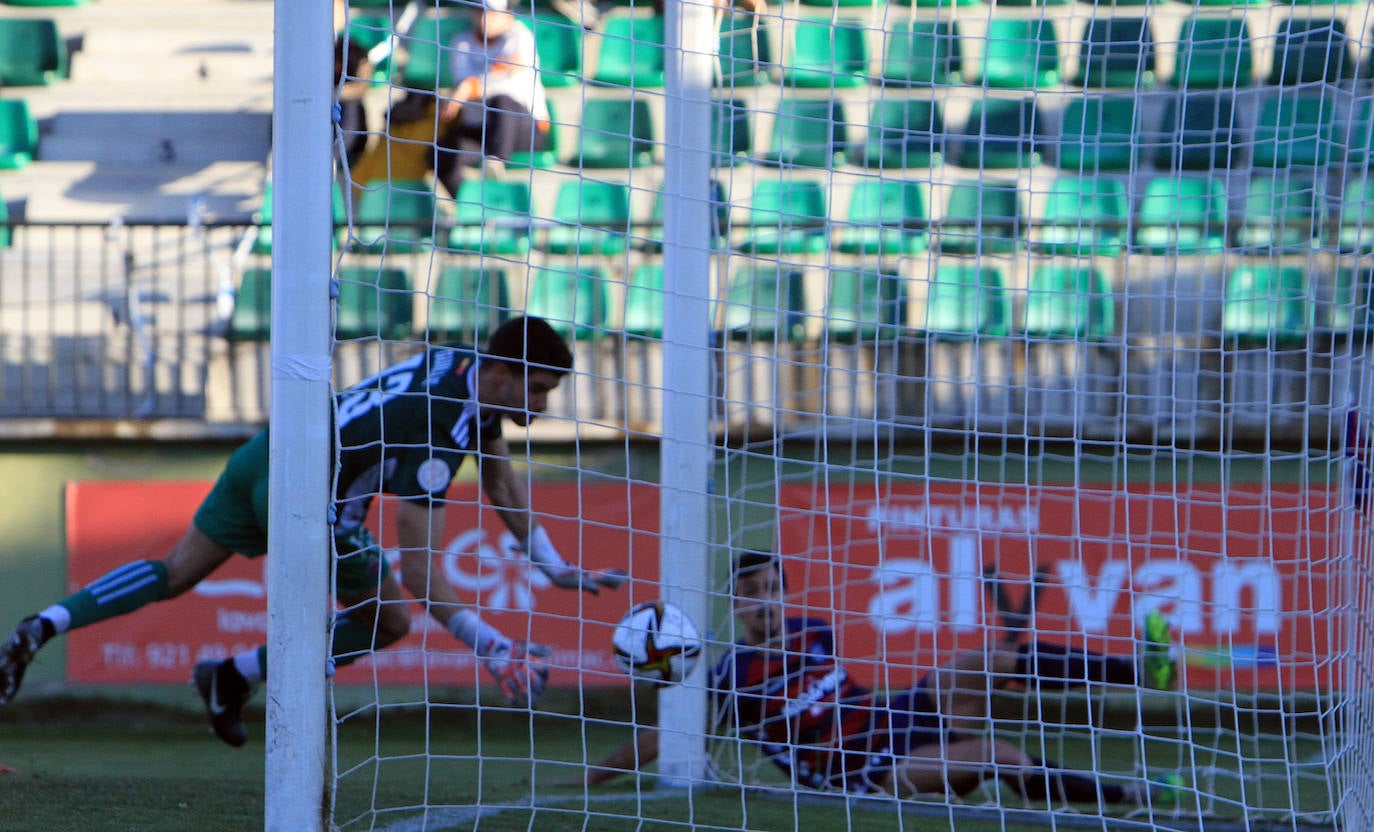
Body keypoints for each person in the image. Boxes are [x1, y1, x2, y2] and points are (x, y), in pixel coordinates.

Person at [0, 316, 626, 747]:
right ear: (501, 373)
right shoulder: (435, 426)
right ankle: (241, 675)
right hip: (310, 500)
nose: (543, 406)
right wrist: (491, 645)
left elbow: (500, 480)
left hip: (267, 456)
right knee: (391, 621)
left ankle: (44, 624)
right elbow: (419, 570)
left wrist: (551, 565)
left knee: (175, 573)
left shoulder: (457, 369)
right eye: (538, 389)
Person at [579, 551, 1179, 807]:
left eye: (773, 589)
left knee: (986, 661)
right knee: (998, 754)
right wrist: (596, 777)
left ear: (786, 593)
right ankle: (1133, 795)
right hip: (862, 770)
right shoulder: (732, 675)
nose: (765, 602)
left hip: (893, 716)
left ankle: (1138, 670)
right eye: (750, 594)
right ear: (733, 604)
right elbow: (666, 736)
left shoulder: (813, 630)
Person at [434, 0, 550, 193]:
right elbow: (462, 83)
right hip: (481, 128)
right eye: (479, 11)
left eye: (492, 13)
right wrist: (471, 86)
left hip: (525, 128)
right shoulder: (462, 42)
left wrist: (472, 86)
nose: (484, 18)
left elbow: (512, 86)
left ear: (508, 15)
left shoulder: (521, 38)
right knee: (441, 153)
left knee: (501, 101)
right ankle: (471, 207)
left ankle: (496, 162)